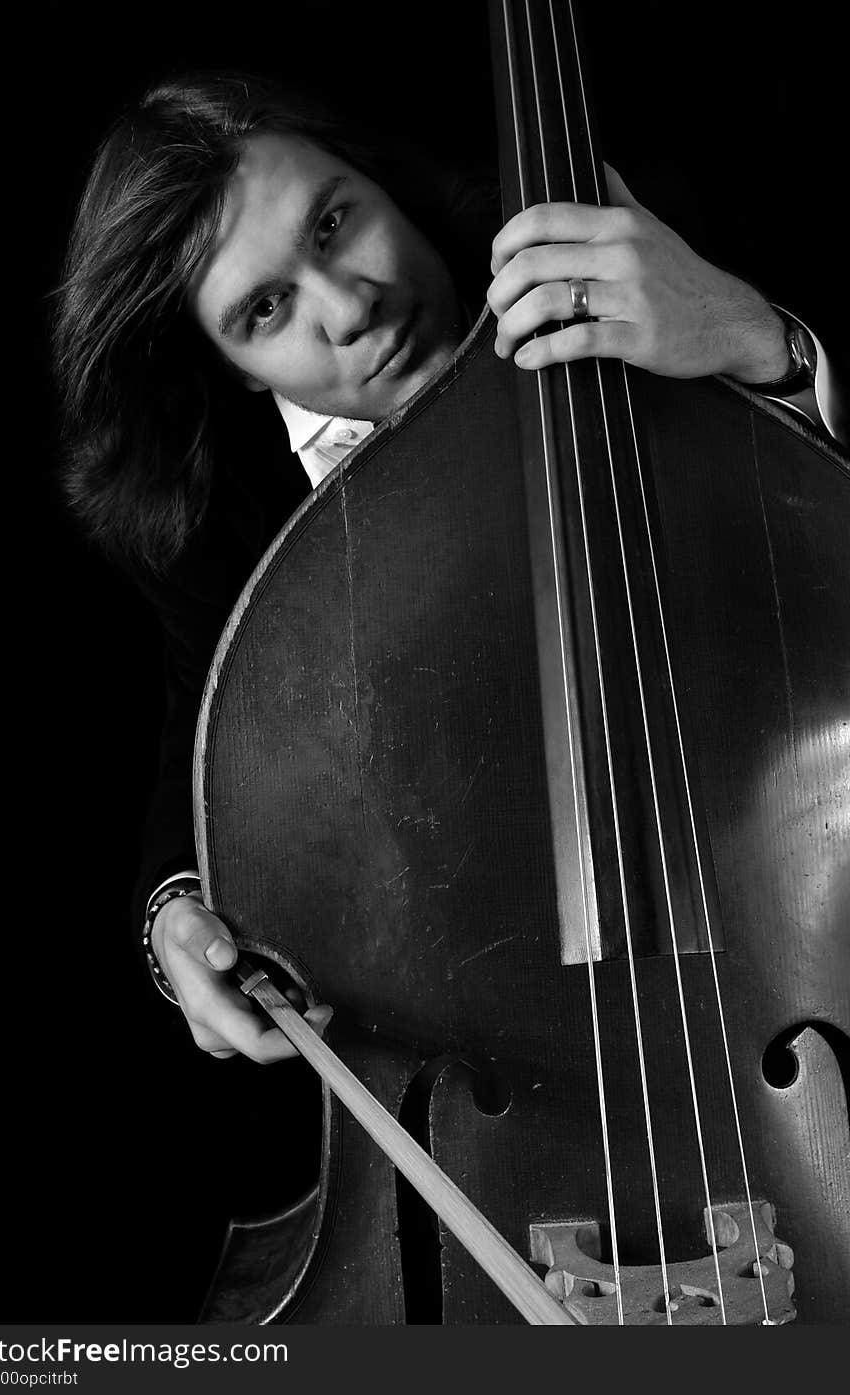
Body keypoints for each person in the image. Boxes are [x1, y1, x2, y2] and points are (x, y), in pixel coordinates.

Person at [53, 71, 846, 1075]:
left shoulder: (628, 243)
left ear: (377, 183)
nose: (349, 307)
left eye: (335, 224)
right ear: (231, 369)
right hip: (504, 1053)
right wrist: (175, 914)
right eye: (264, 309)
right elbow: (199, 723)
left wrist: (751, 340)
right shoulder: (218, 521)